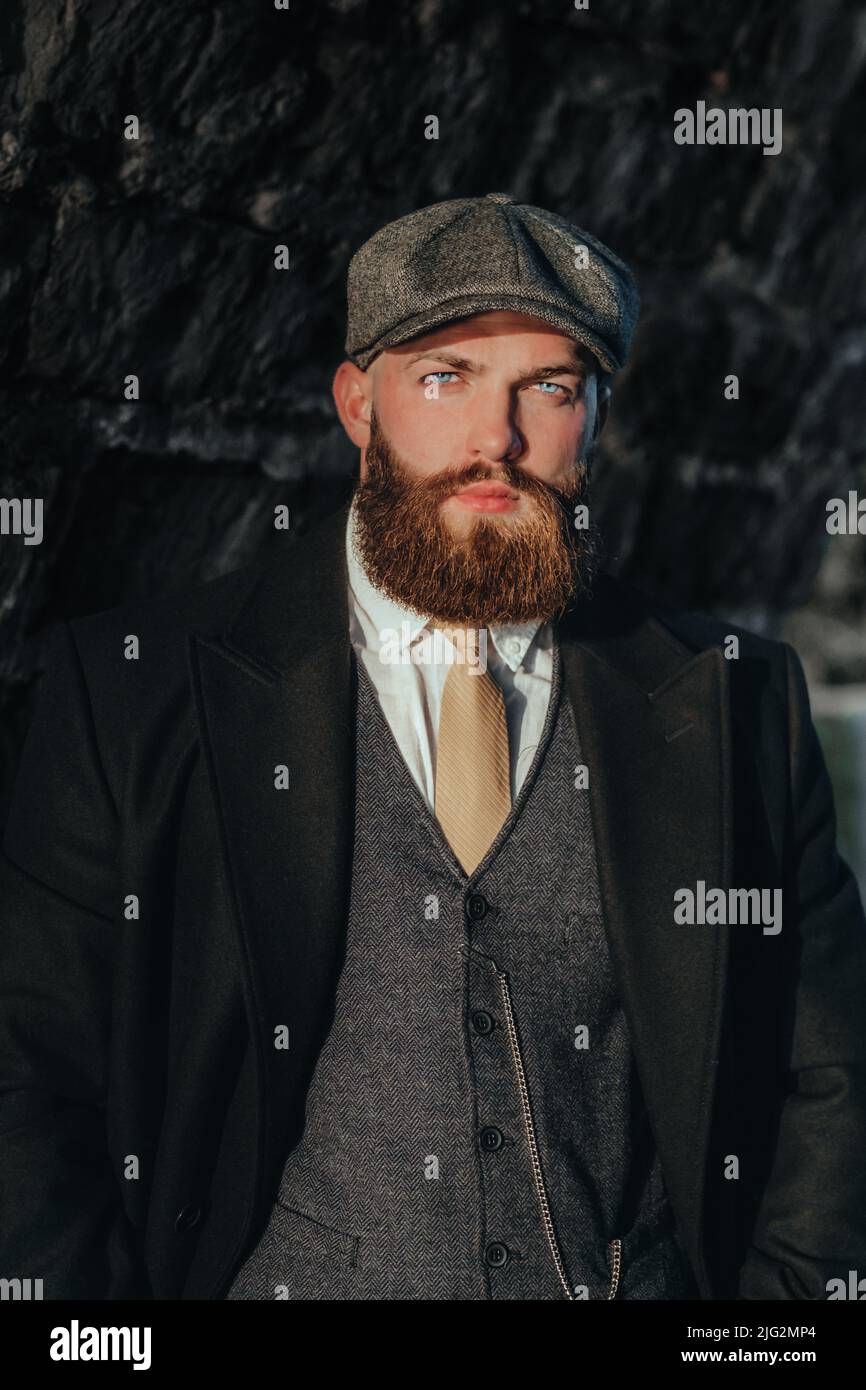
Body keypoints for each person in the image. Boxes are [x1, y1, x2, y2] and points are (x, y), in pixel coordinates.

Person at [1, 193, 865, 1301]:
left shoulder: (735, 698)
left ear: (594, 415)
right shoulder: (136, 690)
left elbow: (832, 1074)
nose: (493, 440)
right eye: (445, 376)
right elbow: (28, 1077)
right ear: (358, 403)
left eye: (546, 388)